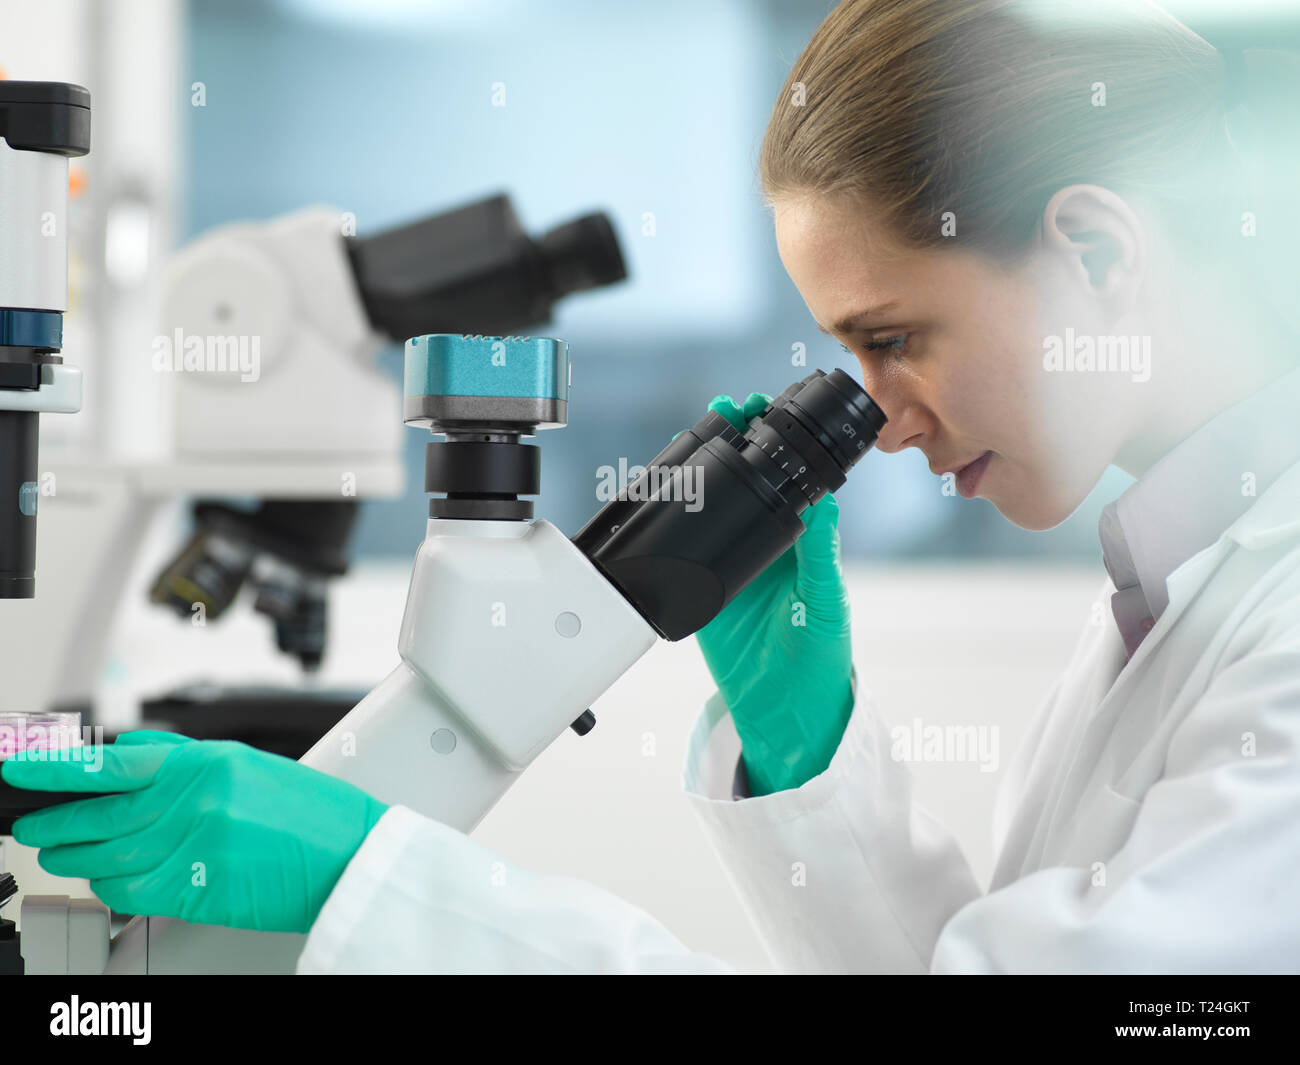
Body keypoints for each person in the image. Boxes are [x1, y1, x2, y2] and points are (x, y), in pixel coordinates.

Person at [4, 0, 1300, 973]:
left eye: (893, 339)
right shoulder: (1170, 576)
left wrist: (372, 883)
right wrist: (813, 751)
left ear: (1090, 248)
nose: (882, 421)